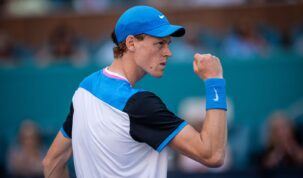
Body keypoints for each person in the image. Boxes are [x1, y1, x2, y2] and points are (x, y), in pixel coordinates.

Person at [43, 5, 227, 178]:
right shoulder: (140, 104)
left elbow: (52, 162)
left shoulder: (85, 88)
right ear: (131, 43)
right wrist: (214, 80)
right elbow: (212, 154)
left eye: (168, 44)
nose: (168, 52)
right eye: (159, 43)